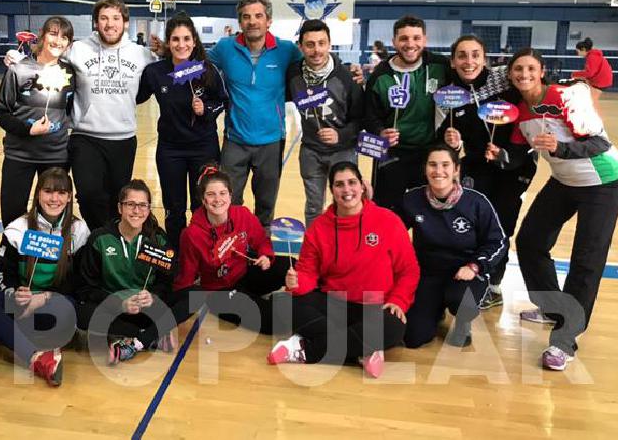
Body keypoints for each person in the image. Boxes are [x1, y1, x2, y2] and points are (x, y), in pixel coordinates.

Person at [506, 48, 618, 371]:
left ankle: (564, 341)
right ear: (510, 75)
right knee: (530, 241)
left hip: (603, 182)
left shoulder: (564, 97)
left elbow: (600, 143)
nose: (524, 74)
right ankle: (552, 307)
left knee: (586, 261)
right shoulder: (520, 111)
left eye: (530, 68)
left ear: (541, 70)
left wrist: (560, 148)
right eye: (517, 69)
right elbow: (520, 155)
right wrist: (501, 156)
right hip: (564, 181)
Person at [268, 161, 420, 378]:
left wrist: (398, 300)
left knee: (394, 326)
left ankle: (304, 349)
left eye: (352, 183)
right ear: (332, 191)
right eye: (339, 185)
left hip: (374, 306)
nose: (347, 190)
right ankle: (363, 348)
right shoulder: (319, 228)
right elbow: (308, 272)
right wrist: (297, 282)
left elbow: (409, 270)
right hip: (335, 303)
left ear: (362, 186)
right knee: (284, 304)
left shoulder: (388, 221)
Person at [436, 35, 536, 310]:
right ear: (453, 61)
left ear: (484, 58)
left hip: (512, 168)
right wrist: (452, 142)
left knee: (502, 224)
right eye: (462, 56)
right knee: (473, 223)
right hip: (476, 168)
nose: (469, 61)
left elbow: (533, 87)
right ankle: (471, 275)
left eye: (475, 55)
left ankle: (493, 283)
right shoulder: (449, 95)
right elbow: (445, 140)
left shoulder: (504, 81)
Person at [0, 168, 90, 387]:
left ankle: (4, 335)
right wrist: (15, 293)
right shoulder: (17, 229)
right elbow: (2, 272)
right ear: (38, 194)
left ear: (69, 197)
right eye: (48, 191)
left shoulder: (79, 230)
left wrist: (45, 298)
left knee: (66, 312)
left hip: (54, 306)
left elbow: (80, 282)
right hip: (22, 305)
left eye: (61, 192)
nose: (54, 198)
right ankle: (36, 357)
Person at [206, 0, 304, 229]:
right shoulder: (225, 48)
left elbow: (312, 66)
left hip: (271, 141)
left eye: (258, 16)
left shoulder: (287, 50)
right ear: (240, 22)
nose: (252, 21)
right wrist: (168, 62)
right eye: (246, 17)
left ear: (268, 20)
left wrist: (349, 73)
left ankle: (261, 252)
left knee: (266, 205)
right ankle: (230, 249)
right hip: (235, 141)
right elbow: (195, 65)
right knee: (229, 202)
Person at [63, 0, 158, 229]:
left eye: (116, 18)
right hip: (85, 137)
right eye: (103, 18)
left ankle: (111, 245)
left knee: (117, 199)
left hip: (123, 139)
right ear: (96, 22)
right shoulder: (78, 49)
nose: (110, 24)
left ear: (125, 22)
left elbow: (171, 70)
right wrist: (21, 59)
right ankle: (98, 237)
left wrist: (187, 65)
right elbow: (46, 59)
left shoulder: (141, 54)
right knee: (88, 195)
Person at [136, 13, 229, 248]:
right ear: (168, 42)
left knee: (202, 205)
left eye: (186, 38)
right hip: (170, 150)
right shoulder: (155, 72)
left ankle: (203, 254)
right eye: (175, 39)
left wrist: (205, 109)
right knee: (173, 207)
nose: (181, 44)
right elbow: (134, 97)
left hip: (203, 148)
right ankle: (176, 257)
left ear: (194, 41)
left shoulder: (207, 70)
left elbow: (222, 101)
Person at [399, 145, 507, 348]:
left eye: (445, 165)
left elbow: (498, 242)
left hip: (465, 272)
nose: (438, 171)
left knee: (460, 300)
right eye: (432, 165)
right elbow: (391, 232)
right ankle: (435, 307)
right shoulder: (412, 199)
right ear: (425, 169)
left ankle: (463, 322)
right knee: (413, 338)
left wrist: (475, 266)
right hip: (428, 273)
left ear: (456, 169)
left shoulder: (476, 202)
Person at [73, 180, 187, 364]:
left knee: (193, 295)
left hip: (147, 309)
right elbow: (86, 288)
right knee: (80, 312)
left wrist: (153, 296)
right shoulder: (100, 238)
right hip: (115, 310)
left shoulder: (158, 238)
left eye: (142, 205)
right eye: (131, 204)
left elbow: (166, 283)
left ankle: (136, 339)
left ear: (149, 209)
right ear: (120, 208)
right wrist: (120, 303)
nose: (136, 211)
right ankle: (149, 337)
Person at [173, 165, 289, 334]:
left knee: (290, 267)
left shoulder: (242, 214)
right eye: (210, 194)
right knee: (274, 320)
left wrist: (265, 256)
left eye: (222, 193)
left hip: (245, 274)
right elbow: (185, 278)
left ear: (230, 195)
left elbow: (262, 241)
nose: (217, 199)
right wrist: (173, 316)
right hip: (219, 293)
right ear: (203, 200)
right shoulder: (191, 234)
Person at [0, 16, 77, 226]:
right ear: (42, 35)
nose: (58, 41)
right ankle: (14, 258)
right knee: (12, 215)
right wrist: (28, 130)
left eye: (65, 37)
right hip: (19, 156)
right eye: (53, 34)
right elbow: (0, 112)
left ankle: (48, 259)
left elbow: (69, 109)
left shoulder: (69, 72)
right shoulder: (18, 70)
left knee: (52, 218)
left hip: (56, 156)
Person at [362, 15, 450, 215]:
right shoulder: (380, 76)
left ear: (424, 40)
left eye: (416, 38)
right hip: (393, 154)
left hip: (431, 152)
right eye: (404, 39)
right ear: (394, 42)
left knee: (431, 214)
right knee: (387, 213)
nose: (410, 44)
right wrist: (380, 131)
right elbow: (369, 115)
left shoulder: (440, 66)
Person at [285, 19, 363, 227]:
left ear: (329, 44)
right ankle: (316, 252)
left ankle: (346, 252)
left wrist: (341, 135)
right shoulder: (293, 74)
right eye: (310, 44)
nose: (316, 50)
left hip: (342, 151)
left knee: (346, 205)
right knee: (313, 207)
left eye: (322, 43)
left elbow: (360, 119)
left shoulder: (347, 77)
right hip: (311, 150)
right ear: (300, 46)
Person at [571, 38, 613, 105]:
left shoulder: (592, 57)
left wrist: (575, 74)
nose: (578, 54)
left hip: (601, 81)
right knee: (589, 99)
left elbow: (590, 73)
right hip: (601, 80)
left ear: (583, 49)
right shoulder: (593, 55)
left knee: (590, 101)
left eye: (578, 51)